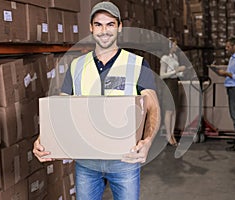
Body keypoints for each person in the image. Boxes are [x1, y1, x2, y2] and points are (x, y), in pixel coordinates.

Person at [33, 1, 160, 200]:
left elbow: (152, 105)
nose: (104, 31)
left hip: (124, 161)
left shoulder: (136, 63)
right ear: (91, 28)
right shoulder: (77, 65)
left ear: (119, 27)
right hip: (87, 162)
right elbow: (61, 109)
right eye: (98, 24)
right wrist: (45, 139)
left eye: (110, 24)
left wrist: (148, 141)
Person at [159, 37, 186, 146]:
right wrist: (176, 70)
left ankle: (173, 134)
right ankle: (168, 136)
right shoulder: (164, 58)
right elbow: (162, 75)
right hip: (168, 84)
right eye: (174, 45)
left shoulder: (175, 57)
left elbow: (177, 73)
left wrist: (181, 72)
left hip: (175, 83)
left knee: (174, 110)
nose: (176, 47)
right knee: (169, 111)